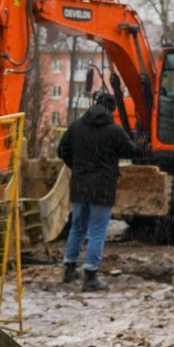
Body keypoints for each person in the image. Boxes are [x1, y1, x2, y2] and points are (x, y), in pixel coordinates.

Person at [58, 92, 136, 292]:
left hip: (80, 184)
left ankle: (69, 268)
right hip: (103, 186)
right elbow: (131, 151)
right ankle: (90, 277)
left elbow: (61, 150)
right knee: (97, 231)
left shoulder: (76, 127)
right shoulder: (114, 131)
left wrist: (76, 166)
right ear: (111, 109)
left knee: (77, 227)